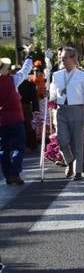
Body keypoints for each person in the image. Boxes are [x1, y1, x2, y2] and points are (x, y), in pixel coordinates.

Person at [50, 45, 84, 180]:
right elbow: (53, 92)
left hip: (77, 110)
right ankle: (70, 161)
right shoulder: (56, 75)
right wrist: (51, 97)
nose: (62, 60)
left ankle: (78, 171)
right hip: (61, 111)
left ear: (73, 58)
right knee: (62, 140)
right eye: (61, 58)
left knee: (77, 142)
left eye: (64, 58)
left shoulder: (83, 75)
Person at [0, 47, 34, 185]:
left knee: (3, 150)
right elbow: (25, 70)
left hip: (1, 121)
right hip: (16, 120)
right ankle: (15, 173)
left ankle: (8, 175)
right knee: (19, 147)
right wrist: (29, 56)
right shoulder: (13, 80)